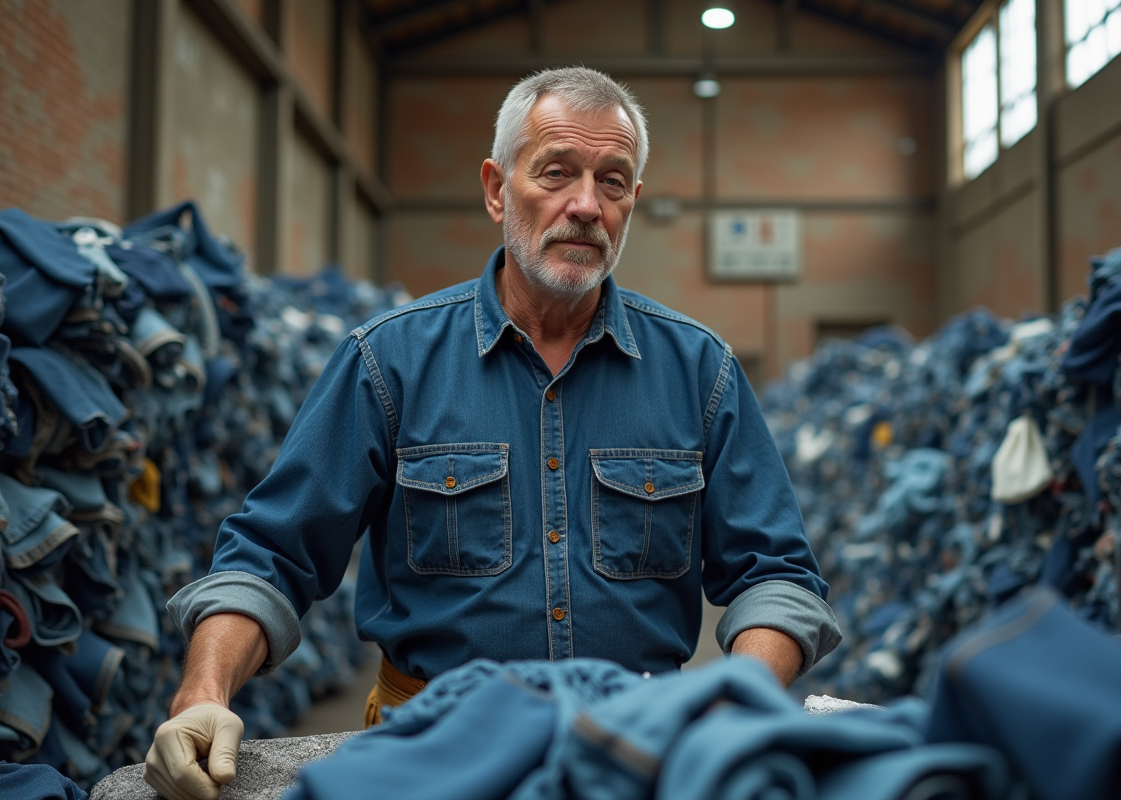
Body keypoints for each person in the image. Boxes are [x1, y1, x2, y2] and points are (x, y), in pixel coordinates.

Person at [144, 67, 842, 800]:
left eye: (611, 182)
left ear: (632, 202)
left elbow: (778, 577)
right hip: (433, 751)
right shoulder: (389, 362)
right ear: (496, 189)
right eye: (556, 173)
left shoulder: (699, 371)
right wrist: (202, 695)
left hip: (635, 754)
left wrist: (732, 703)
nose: (586, 205)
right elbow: (271, 555)